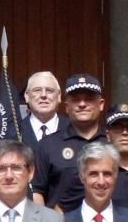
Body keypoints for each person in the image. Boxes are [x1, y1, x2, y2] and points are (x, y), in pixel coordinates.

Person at [32, 74, 107, 212]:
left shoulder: (112, 143)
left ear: (101, 104)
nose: (82, 104)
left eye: (89, 99)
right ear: (66, 106)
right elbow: (37, 191)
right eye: (76, 100)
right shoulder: (47, 145)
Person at [17, 71, 63, 148]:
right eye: (37, 90)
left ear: (59, 96)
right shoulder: (16, 130)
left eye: (49, 90)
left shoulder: (73, 128)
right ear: (27, 96)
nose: (43, 95)